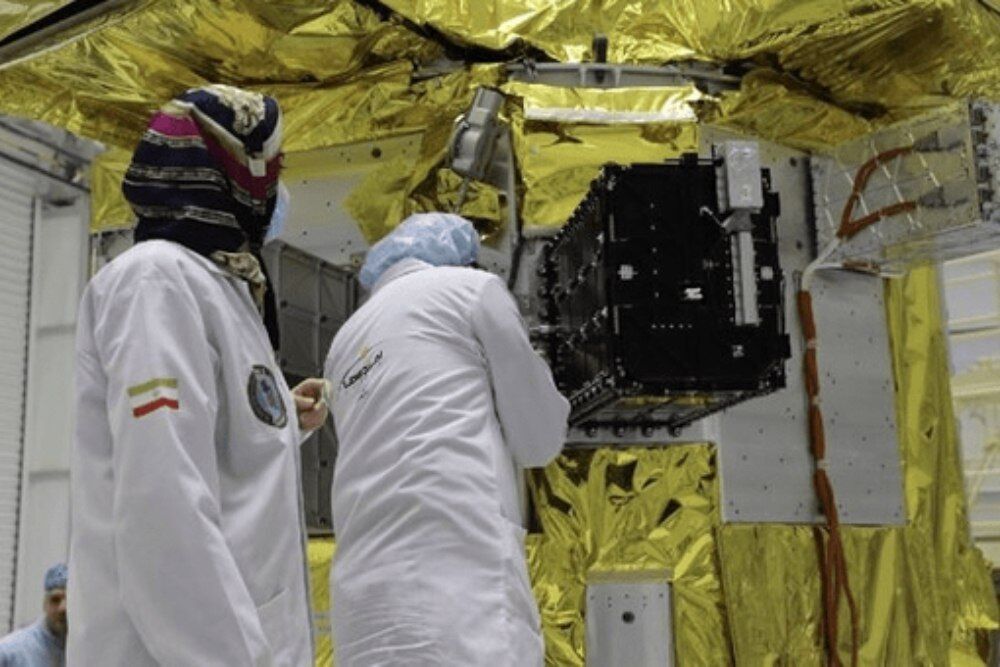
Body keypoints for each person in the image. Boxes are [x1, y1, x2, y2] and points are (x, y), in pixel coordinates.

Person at [69, 84, 327, 666]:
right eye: (276, 169)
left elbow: (211, 450)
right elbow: (164, 507)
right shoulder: (155, 281)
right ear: (237, 172)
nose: (279, 190)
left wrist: (282, 419)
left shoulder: (221, 288)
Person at [324, 212, 570, 666]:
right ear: (463, 258)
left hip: (365, 605)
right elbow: (538, 439)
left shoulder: (344, 342)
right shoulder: (470, 290)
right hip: (460, 585)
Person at [0, 564, 67, 666]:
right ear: (45, 604)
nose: (62, 608)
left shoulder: (85, 651)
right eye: (55, 600)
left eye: (69, 600)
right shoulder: (10, 651)